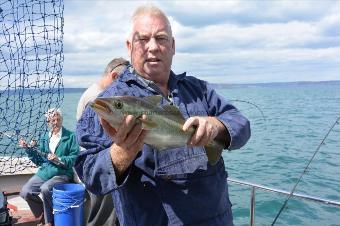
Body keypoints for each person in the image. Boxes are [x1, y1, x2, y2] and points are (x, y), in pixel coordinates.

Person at [75, 4, 251, 226]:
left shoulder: (199, 90)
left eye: (161, 38)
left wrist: (217, 126)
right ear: (129, 46)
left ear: (173, 46)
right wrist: (120, 154)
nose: (153, 47)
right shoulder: (109, 102)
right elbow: (89, 174)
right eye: (142, 39)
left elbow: (241, 124)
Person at [76, 57, 129, 226]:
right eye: (123, 82)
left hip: (96, 166)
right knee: (104, 219)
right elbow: (103, 139)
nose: (125, 89)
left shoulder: (93, 93)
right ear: (114, 76)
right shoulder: (98, 99)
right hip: (101, 167)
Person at [19, 108, 79, 226]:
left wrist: (59, 159)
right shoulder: (44, 138)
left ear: (61, 120)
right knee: (25, 192)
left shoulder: (71, 136)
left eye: (58, 119)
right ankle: (43, 215)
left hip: (62, 173)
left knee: (46, 188)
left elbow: (74, 158)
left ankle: (49, 221)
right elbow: (39, 161)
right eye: (52, 120)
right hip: (46, 171)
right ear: (48, 122)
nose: (55, 122)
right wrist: (28, 149)